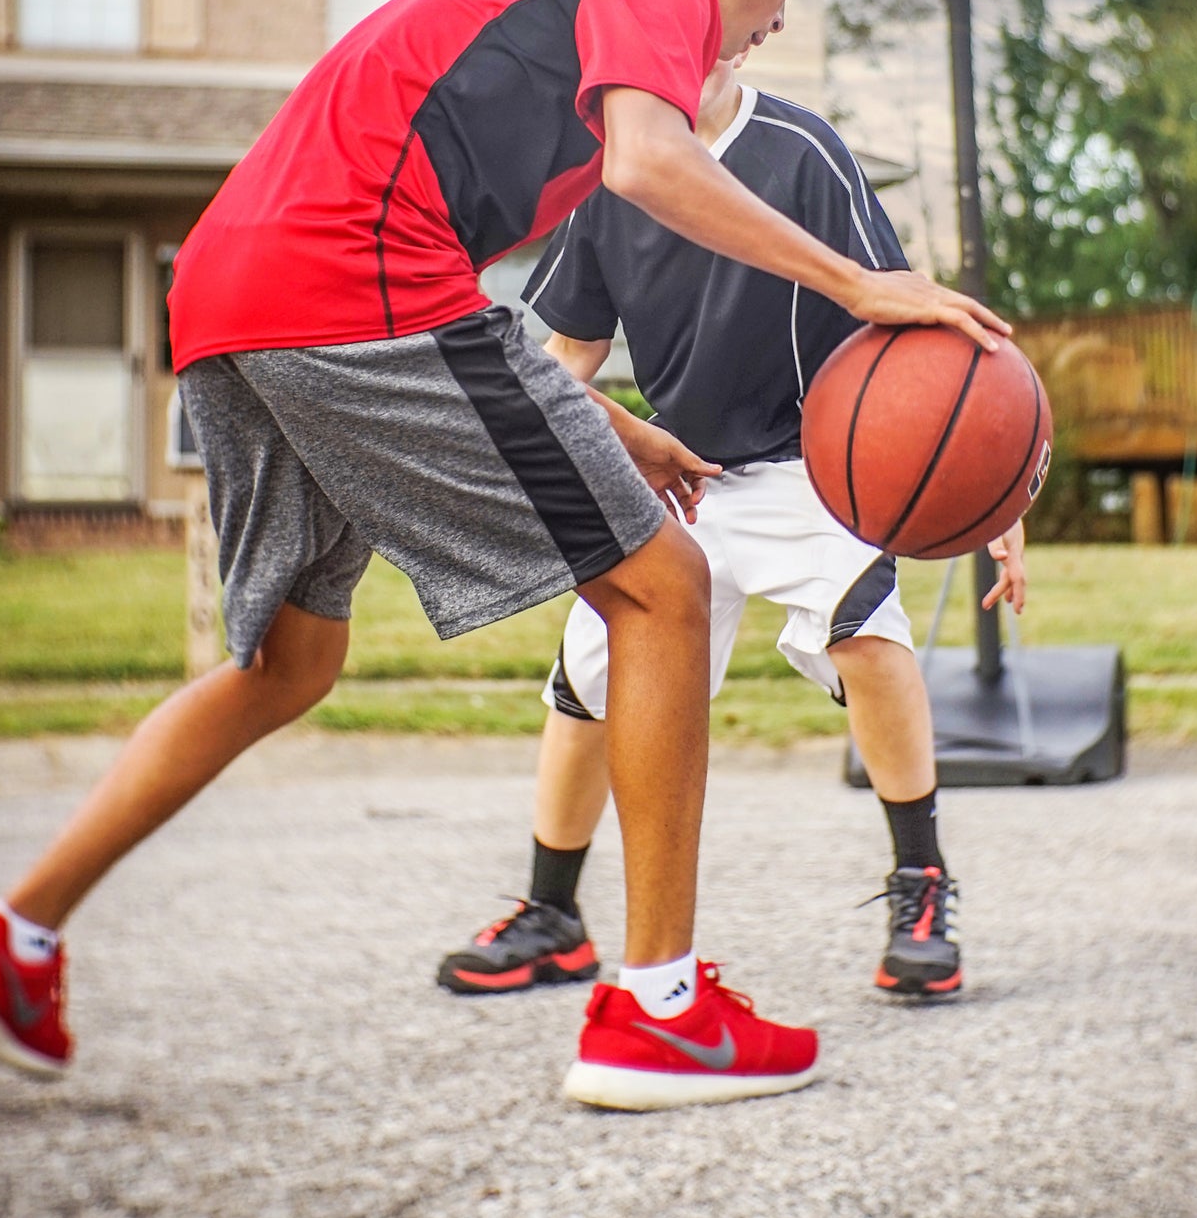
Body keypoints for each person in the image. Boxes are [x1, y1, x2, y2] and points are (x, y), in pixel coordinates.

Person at [0, 0, 1010, 1111]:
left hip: (239, 294)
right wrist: (862, 282)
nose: (767, 23)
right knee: (663, 585)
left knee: (285, 662)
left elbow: (494, 267)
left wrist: (619, 426)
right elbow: (653, 161)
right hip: (358, 282)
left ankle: (20, 930)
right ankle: (658, 1006)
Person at [437, 56, 1027, 1010]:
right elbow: (570, 358)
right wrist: (525, 464)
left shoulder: (802, 152)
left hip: (814, 464)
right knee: (590, 677)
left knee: (864, 632)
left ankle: (920, 886)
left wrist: (996, 498)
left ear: (732, 43)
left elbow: (905, 303)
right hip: (676, 469)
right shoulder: (609, 177)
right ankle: (552, 915)